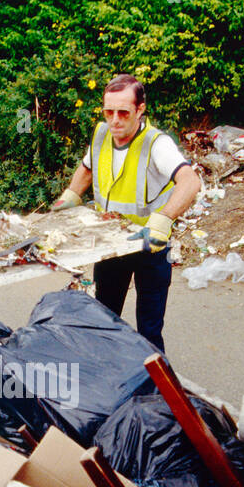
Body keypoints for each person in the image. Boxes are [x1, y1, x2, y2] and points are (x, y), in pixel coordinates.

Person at [52, 74, 202, 353]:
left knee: (149, 330)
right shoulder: (101, 136)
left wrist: (163, 219)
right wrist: (70, 196)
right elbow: (87, 168)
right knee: (104, 321)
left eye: (124, 112)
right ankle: (109, 379)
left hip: (151, 245)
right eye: (109, 112)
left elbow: (190, 182)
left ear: (140, 109)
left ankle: (155, 389)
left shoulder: (156, 144)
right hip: (111, 246)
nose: (115, 120)